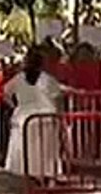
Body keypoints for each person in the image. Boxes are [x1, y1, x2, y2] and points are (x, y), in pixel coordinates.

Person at [4, 48, 65, 185]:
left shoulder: (18, 78)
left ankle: (32, 176)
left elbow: (6, 92)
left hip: (24, 118)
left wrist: (14, 106)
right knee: (47, 150)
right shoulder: (48, 79)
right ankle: (48, 176)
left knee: (27, 150)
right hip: (46, 117)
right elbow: (57, 98)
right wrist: (60, 117)